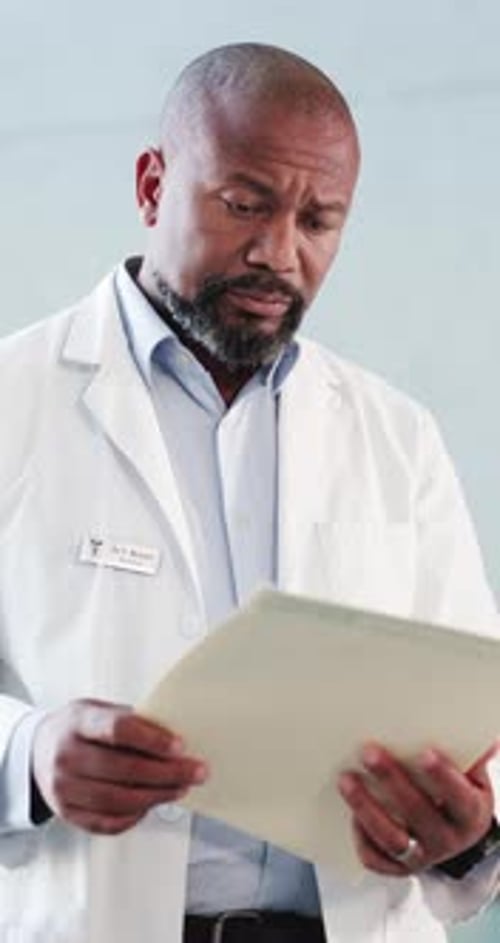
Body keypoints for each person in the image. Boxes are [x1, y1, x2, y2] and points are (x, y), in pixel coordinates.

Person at [0, 41, 499, 943]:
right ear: (154, 185)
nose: (278, 253)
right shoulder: (12, 401)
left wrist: (470, 833)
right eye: (245, 205)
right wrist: (26, 756)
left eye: (320, 221)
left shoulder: (396, 434)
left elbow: (476, 704)